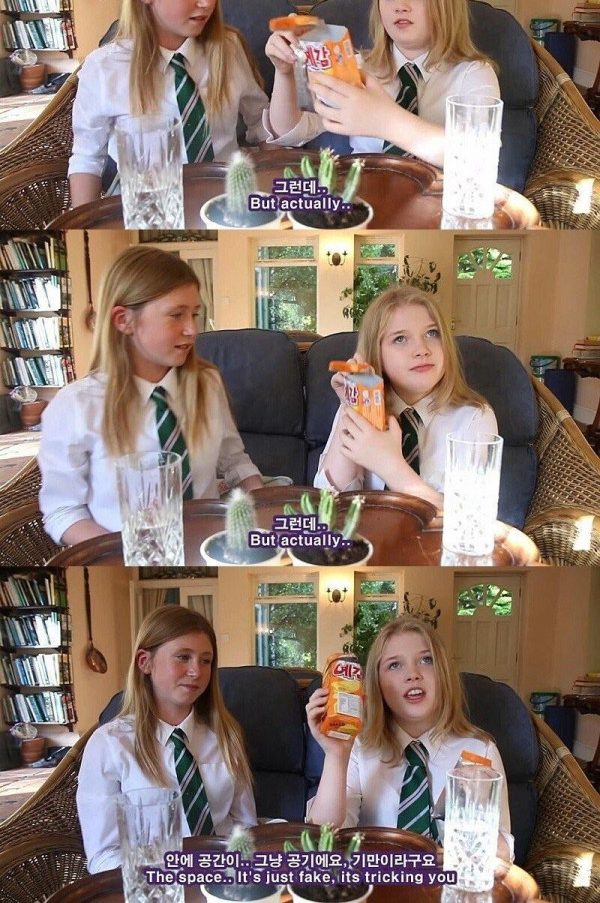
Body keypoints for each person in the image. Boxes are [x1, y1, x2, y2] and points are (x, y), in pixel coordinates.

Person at [264, 0, 539, 228]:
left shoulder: (473, 74)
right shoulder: (356, 67)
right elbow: (289, 132)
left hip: (437, 216)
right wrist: (284, 73)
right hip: (360, 210)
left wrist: (384, 120)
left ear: (445, 3)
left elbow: (477, 160)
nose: (401, 6)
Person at [306, 611, 539, 897]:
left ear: (443, 675)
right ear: (376, 685)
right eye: (394, 665)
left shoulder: (480, 750)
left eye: (426, 660)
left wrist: (467, 823)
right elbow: (324, 839)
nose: (413, 674)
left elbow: (500, 855)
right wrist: (336, 755)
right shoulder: (360, 749)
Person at [38, 248, 263, 544]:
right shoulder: (74, 407)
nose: (193, 330)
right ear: (124, 320)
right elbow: (63, 511)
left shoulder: (207, 384)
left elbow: (234, 462)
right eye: (176, 315)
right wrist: (128, 556)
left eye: (195, 314)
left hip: (210, 548)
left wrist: (263, 516)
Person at [309, 282, 536, 562]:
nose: (422, 349)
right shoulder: (361, 406)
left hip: (437, 557)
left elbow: (472, 524)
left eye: (432, 333)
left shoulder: (474, 417)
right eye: (400, 339)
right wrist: (351, 407)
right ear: (375, 353)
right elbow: (328, 509)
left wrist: (389, 465)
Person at [68, 0, 268, 207]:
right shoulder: (103, 68)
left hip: (224, 201)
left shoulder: (228, 49)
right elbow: (87, 157)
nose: (207, 1)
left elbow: (261, 123)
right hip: (145, 207)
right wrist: (83, 221)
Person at [77, 603, 256, 873]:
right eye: (183, 657)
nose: (197, 671)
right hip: (152, 884)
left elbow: (246, 828)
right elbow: (103, 856)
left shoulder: (225, 737)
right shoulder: (110, 744)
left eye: (206, 660)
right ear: (145, 662)